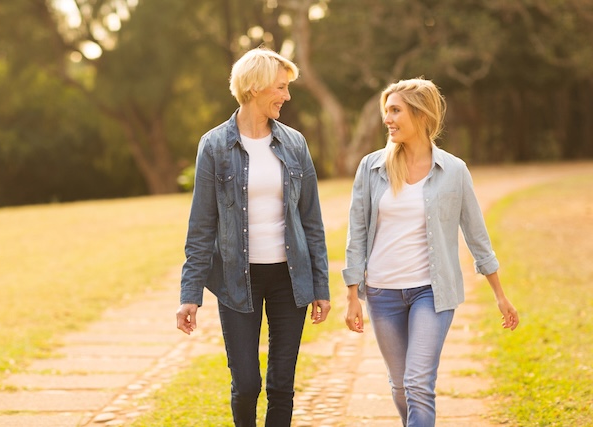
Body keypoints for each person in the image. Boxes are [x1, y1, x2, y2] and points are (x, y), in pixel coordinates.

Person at [342, 77, 519, 426]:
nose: (387, 119)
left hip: (432, 293)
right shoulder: (372, 167)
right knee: (400, 386)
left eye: (396, 111)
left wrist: (499, 294)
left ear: (421, 115)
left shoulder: (454, 171)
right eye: (386, 110)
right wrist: (352, 294)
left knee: (417, 383)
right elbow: (356, 232)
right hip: (382, 292)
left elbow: (476, 235)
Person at [176, 47, 331, 427]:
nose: (287, 96)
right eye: (281, 87)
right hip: (235, 280)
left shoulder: (295, 144)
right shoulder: (213, 146)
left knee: (282, 384)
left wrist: (321, 285)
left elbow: (312, 220)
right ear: (256, 87)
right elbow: (201, 226)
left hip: (289, 278)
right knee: (246, 384)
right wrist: (189, 295)